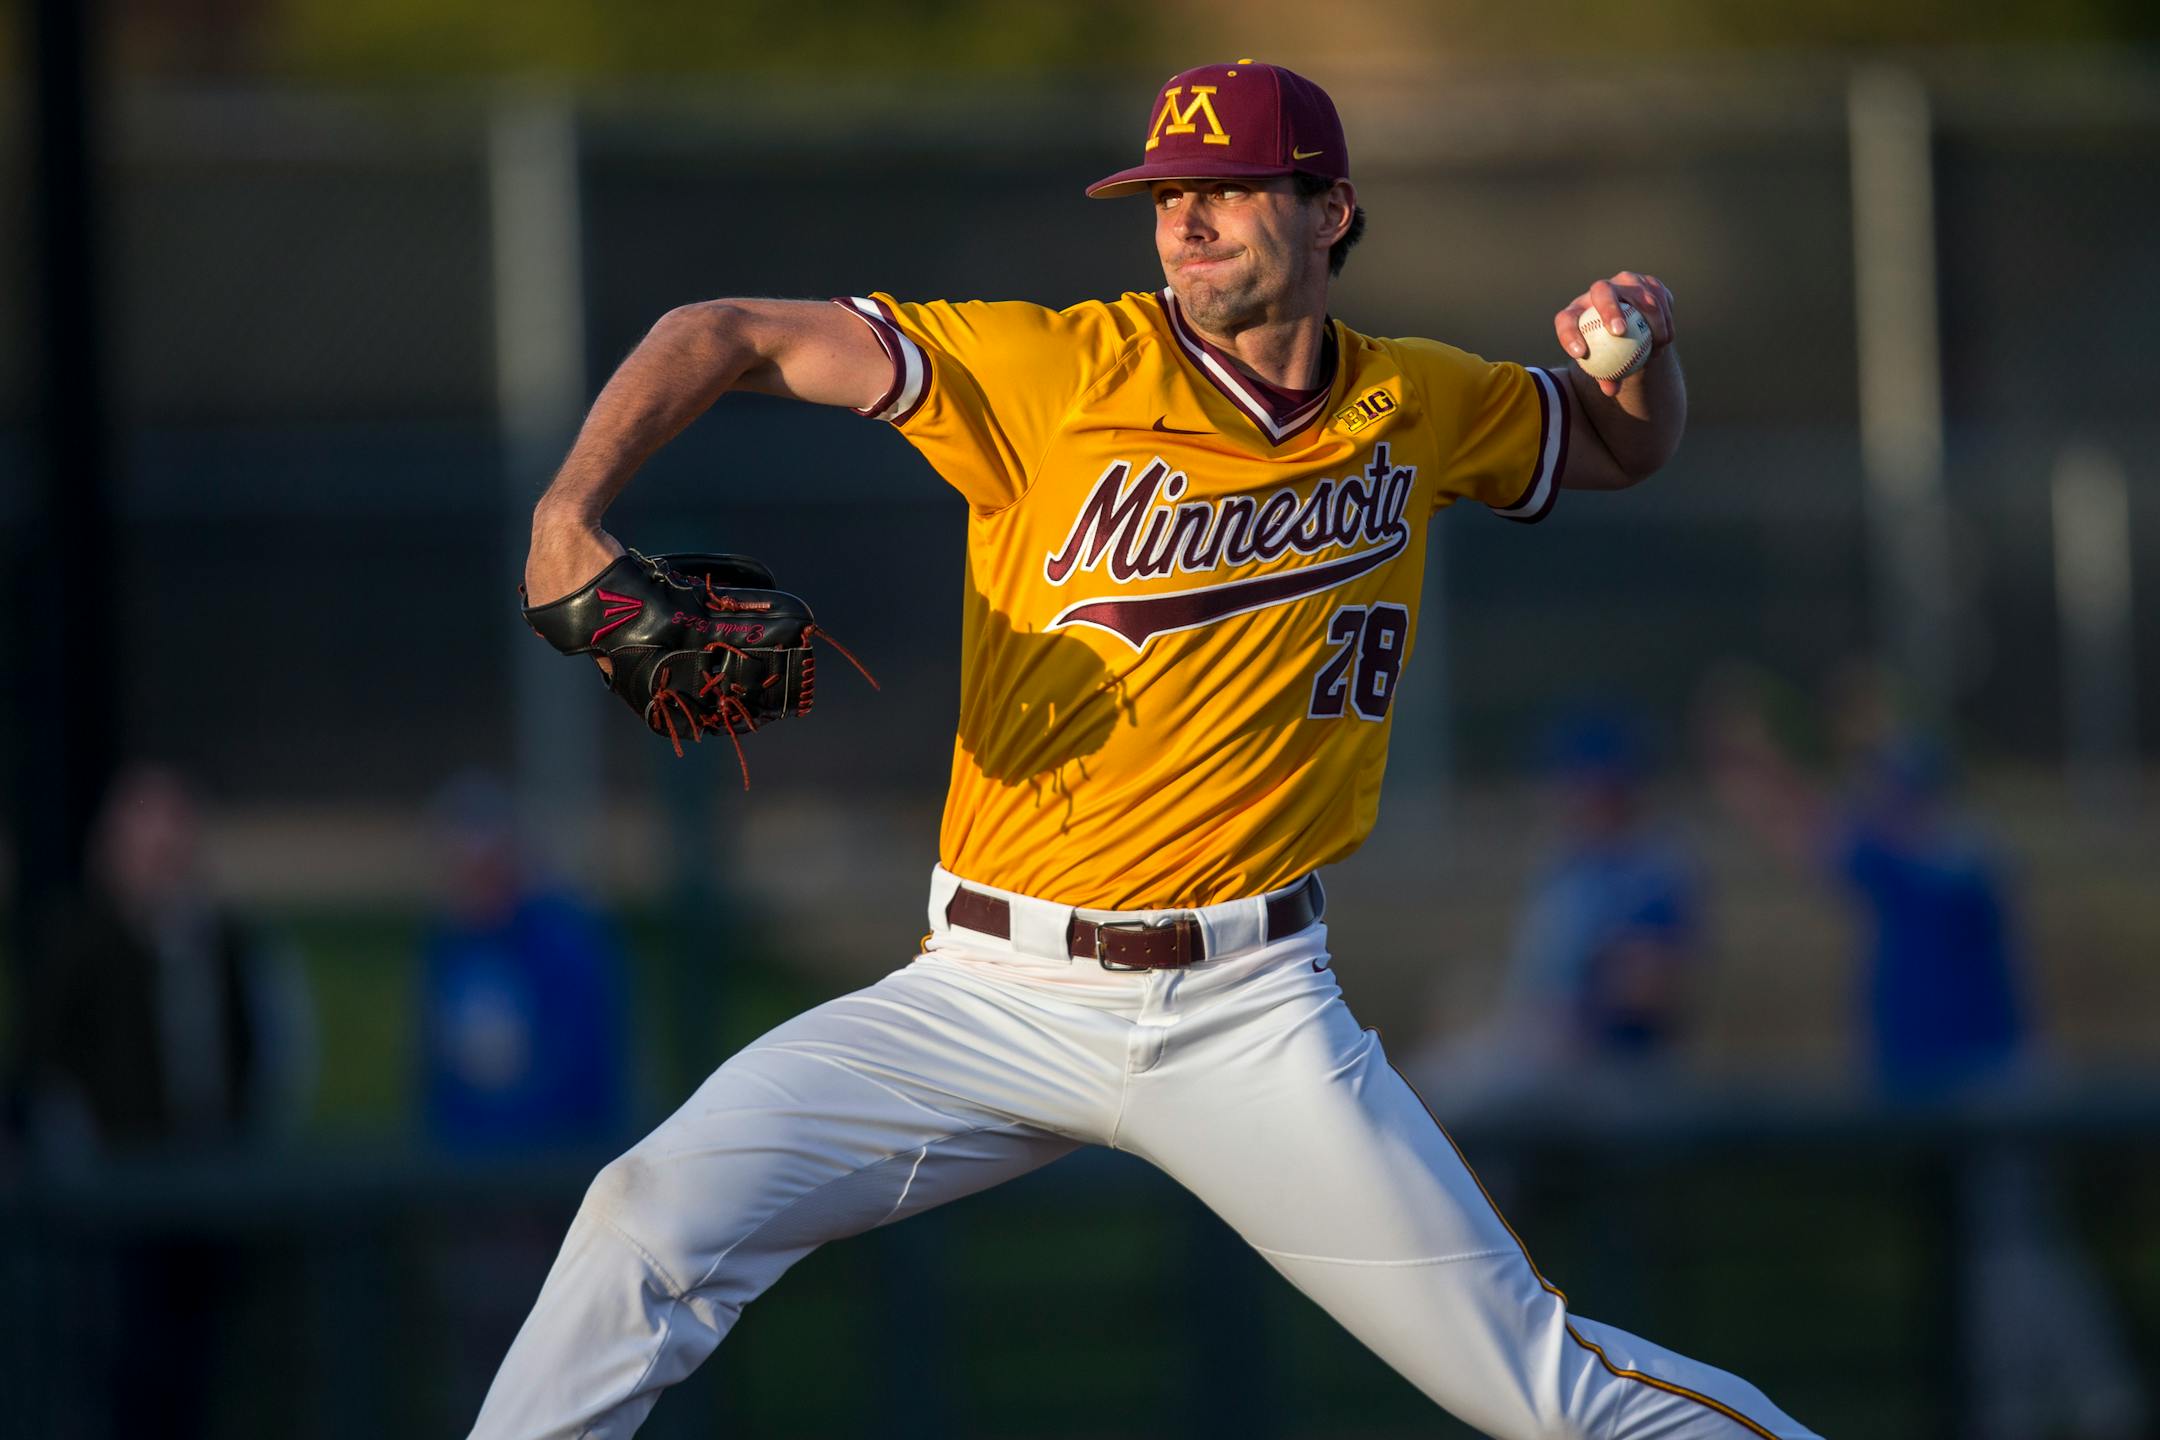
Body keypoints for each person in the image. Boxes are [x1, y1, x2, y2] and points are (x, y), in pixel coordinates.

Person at [480, 61, 1819, 1439]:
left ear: (1331, 210)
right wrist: (568, 511)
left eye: (1232, 189)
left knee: (1551, 1393)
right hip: (982, 992)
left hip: (1250, 1012)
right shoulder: (1052, 370)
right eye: (1169, 194)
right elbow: (733, 330)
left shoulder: (1418, 403)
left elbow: (1616, 446)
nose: (1189, 221)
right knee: (643, 1223)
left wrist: (1645, 357)